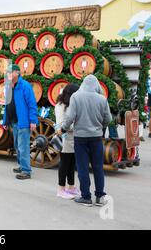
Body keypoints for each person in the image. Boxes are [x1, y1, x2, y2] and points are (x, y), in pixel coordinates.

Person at [62, 75, 112, 207]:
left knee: (83, 167)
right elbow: (108, 119)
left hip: (80, 138)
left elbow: (70, 117)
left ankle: (86, 197)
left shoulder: (76, 97)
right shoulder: (102, 99)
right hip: (96, 138)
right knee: (98, 167)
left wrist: (63, 129)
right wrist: (99, 125)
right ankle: (100, 196)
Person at [3, 64, 39, 180]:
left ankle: (26, 171)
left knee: (23, 146)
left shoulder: (25, 86)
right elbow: (7, 105)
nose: (8, 74)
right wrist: (5, 121)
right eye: (7, 72)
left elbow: (32, 104)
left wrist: (33, 121)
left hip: (23, 121)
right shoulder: (9, 87)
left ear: (17, 73)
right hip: (14, 121)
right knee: (17, 146)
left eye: (10, 72)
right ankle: (21, 165)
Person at [55, 83, 80, 200]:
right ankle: (60, 189)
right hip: (65, 138)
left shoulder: (72, 104)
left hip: (74, 138)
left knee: (71, 164)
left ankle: (71, 187)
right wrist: (76, 125)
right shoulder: (60, 105)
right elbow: (60, 124)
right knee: (64, 164)